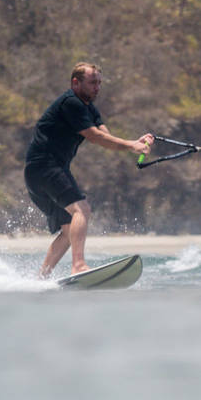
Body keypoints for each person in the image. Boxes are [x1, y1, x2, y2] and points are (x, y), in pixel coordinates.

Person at [24, 62, 153, 277]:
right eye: (93, 82)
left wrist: (134, 141)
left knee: (68, 229)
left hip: (37, 172)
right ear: (76, 82)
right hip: (45, 166)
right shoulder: (71, 103)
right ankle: (79, 265)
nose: (97, 87)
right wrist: (132, 146)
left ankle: (41, 277)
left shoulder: (88, 107)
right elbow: (94, 136)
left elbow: (105, 136)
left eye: (100, 83)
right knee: (81, 210)